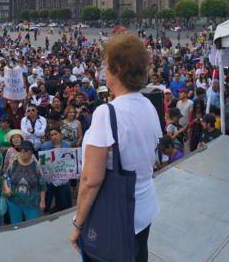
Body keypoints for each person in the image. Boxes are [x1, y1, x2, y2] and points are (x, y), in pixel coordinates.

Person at [70, 34, 161, 262]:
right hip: (143, 208)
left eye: (105, 64)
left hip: (115, 215)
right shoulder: (149, 105)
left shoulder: (107, 113)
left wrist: (78, 223)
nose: (103, 70)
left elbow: (91, 179)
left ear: (118, 68)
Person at [2, 140, 45, 223]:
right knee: (16, 225)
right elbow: (5, 177)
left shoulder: (36, 166)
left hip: (32, 203)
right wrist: (6, 188)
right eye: (21, 150)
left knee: (32, 226)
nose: (23, 152)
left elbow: (42, 185)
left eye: (26, 150)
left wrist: (42, 201)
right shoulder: (14, 164)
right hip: (14, 201)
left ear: (31, 152)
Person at [40, 127, 73, 213]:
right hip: (50, 175)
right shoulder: (45, 146)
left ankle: (64, 210)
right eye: (52, 135)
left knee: (63, 195)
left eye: (56, 134)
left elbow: (71, 160)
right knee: (49, 194)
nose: (54, 136)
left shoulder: (67, 145)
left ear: (60, 134)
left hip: (63, 175)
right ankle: (46, 212)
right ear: (50, 137)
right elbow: (42, 161)